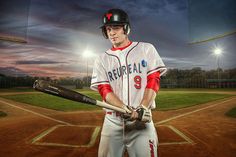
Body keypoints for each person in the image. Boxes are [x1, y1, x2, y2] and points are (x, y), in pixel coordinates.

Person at [90, 8, 167, 157]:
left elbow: (153, 80)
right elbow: (104, 89)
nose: (112, 33)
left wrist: (143, 107)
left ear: (126, 28)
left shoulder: (146, 49)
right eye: (108, 28)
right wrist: (124, 108)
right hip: (112, 122)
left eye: (116, 28)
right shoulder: (101, 59)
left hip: (141, 122)